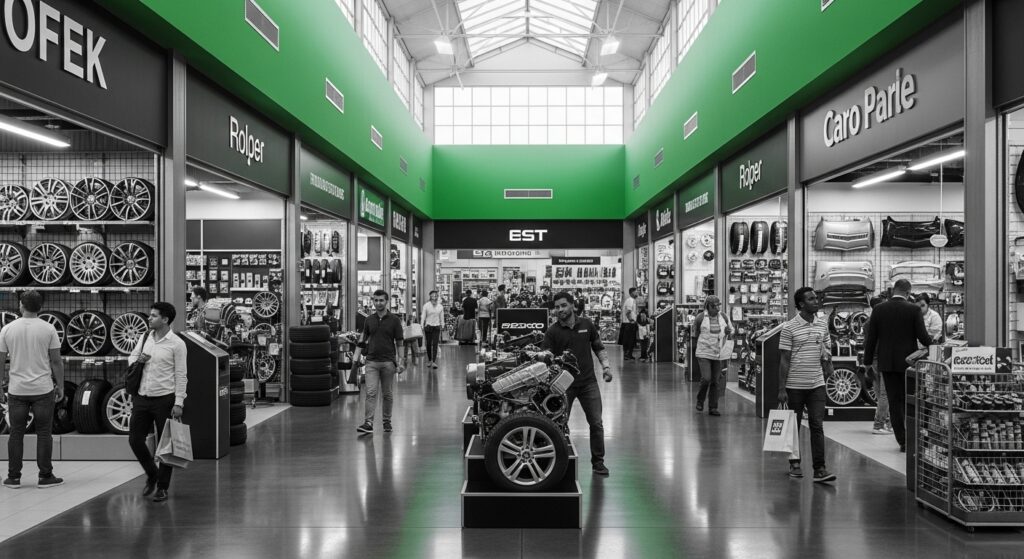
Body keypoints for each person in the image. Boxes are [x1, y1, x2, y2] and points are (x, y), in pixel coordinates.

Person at [541, 291, 613, 476]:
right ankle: (556, 463)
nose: (560, 310)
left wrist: (606, 367)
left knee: (596, 423)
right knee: (558, 424)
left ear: (573, 305)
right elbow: (545, 358)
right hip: (564, 385)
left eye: (563, 305)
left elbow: (598, 346)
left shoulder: (587, 324)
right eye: (557, 307)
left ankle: (598, 463)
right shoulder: (553, 331)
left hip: (588, 382)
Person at [1, 291, 65, 489]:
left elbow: (0, 361)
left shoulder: (8, 329)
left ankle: (13, 477)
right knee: (44, 433)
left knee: (16, 433)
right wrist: (60, 386)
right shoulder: (49, 329)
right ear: (40, 307)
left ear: (21, 305)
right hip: (42, 388)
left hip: (17, 389)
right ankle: (45, 476)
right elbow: (56, 361)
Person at [128, 302, 188, 502]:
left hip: (165, 399)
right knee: (135, 440)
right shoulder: (145, 337)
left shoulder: (177, 344)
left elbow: (181, 375)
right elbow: (132, 357)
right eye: (150, 315)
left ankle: (162, 487)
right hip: (142, 397)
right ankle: (152, 473)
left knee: (166, 446)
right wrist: (139, 360)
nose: (149, 318)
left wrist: (179, 402)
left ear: (165, 319)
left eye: (153, 316)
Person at [863, 279, 932, 453]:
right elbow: (923, 337)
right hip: (908, 363)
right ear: (908, 293)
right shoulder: (914, 309)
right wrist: (935, 345)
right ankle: (912, 437)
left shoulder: (879, 309)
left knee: (894, 402)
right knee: (909, 400)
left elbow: (871, 340)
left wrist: (867, 363)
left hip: (887, 363)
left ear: (893, 291)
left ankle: (902, 441)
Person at [778, 287, 837, 483]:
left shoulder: (822, 324)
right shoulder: (789, 327)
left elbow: (826, 349)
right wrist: (781, 388)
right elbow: (784, 360)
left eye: (816, 298)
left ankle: (820, 468)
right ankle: (794, 463)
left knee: (817, 425)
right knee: (793, 426)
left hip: (817, 383)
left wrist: (829, 366)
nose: (816, 301)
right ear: (801, 304)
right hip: (794, 385)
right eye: (811, 299)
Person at [354, 289, 405, 435]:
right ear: (373, 301)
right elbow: (362, 340)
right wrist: (355, 359)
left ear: (386, 301)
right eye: (376, 300)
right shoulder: (369, 320)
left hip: (389, 363)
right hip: (371, 362)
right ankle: (368, 423)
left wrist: (401, 362)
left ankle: (386, 421)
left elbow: (400, 342)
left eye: (381, 300)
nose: (378, 303)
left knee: (387, 394)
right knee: (370, 392)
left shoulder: (394, 320)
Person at [691, 295, 733, 416]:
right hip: (703, 352)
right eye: (714, 306)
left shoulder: (723, 317)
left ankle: (713, 407)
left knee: (716, 380)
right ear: (708, 306)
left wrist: (728, 332)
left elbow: (731, 330)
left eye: (718, 306)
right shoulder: (700, 318)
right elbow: (695, 333)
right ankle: (700, 400)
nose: (717, 309)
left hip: (718, 353)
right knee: (706, 378)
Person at [867, 295, 891, 435]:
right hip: (881, 359)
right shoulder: (880, 322)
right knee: (885, 394)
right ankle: (879, 424)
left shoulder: (868, 322)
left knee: (879, 394)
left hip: (873, 361)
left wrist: (867, 363)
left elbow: (867, 344)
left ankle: (885, 422)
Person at [421, 290, 444, 369]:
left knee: (435, 344)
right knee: (428, 344)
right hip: (428, 326)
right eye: (433, 296)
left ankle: (434, 361)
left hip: (436, 326)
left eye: (436, 296)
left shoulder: (440, 306)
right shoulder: (426, 306)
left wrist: (442, 325)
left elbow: (441, 317)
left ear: (437, 297)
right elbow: (423, 316)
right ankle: (429, 360)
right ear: (430, 297)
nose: (434, 297)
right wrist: (421, 325)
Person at [621, 287, 638, 360]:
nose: (637, 293)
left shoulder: (632, 300)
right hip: (628, 323)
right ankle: (627, 355)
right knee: (628, 340)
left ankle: (629, 355)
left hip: (629, 323)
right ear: (631, 293)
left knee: (631, 340)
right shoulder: (630, 300)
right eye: (635, 292)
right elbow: (628, 312)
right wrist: (631, 320)